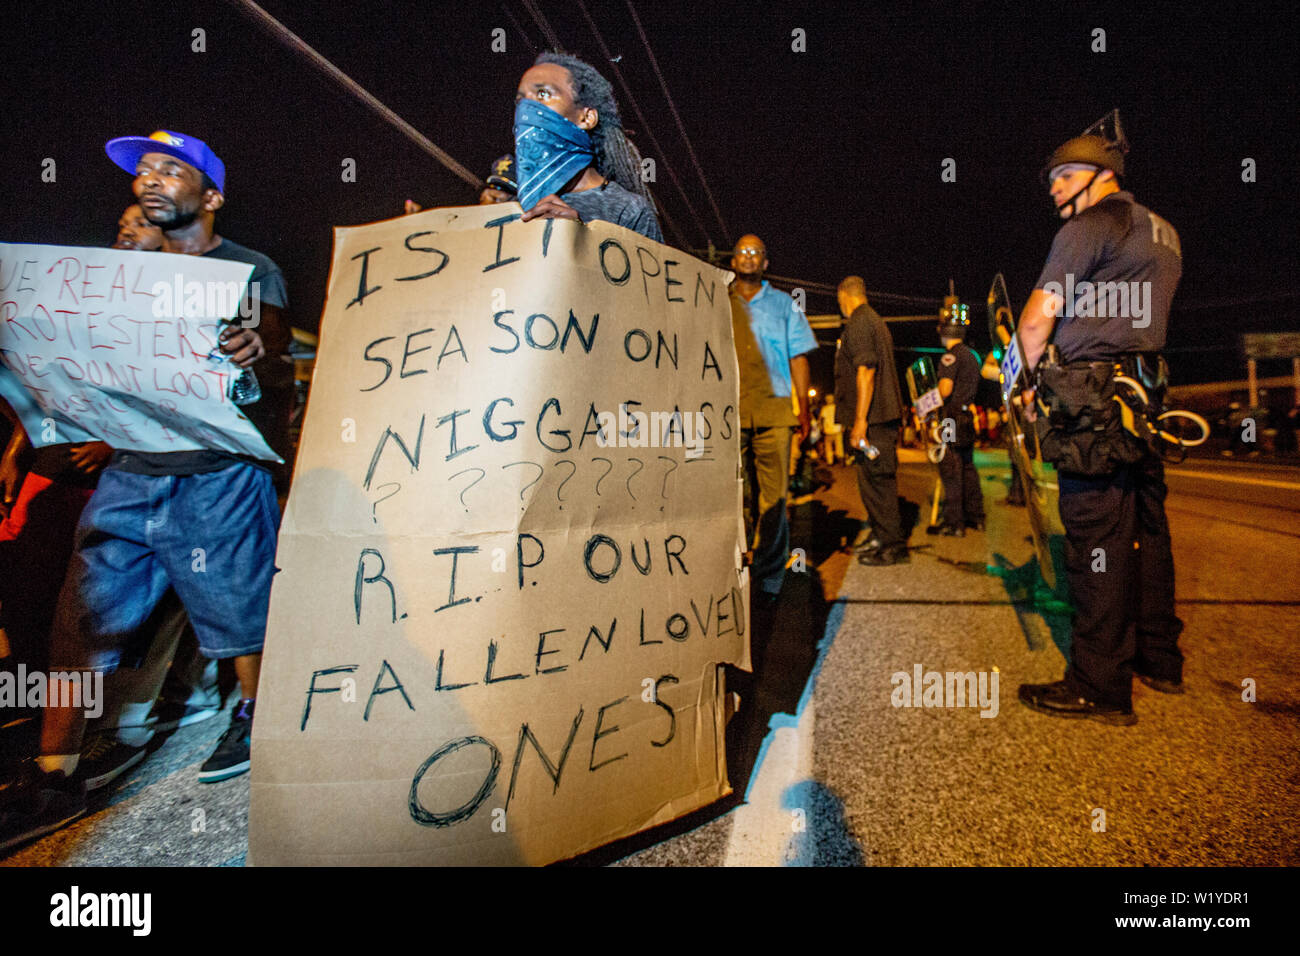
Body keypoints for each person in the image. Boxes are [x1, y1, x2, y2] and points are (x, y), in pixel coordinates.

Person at [0, 128, 288, 852]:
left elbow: (269, 334)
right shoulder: (120, 272)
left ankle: (255, 719)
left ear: (211, 197)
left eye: (172, 170)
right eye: (143, 171)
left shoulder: (248, 269)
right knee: (81, 620)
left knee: (238, 616)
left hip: (216, 473)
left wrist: (256, 343)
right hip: (130, 474)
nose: (150, 180)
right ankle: (55, 771)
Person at [1015, 118, 1184, 726]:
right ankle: (1159, 657)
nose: (1055, 188)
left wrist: (1019, 382)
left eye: (1065, 175)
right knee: (1147, 528)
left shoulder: (1091, 228)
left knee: (1095, 539)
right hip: (1144, 397)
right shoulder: (1162, 232)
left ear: (1101, 174)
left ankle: (1099, 684)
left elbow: (1038, 321)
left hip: (1093, 400)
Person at [730, 235, 817, 599]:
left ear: (766, 263)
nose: (749, 257)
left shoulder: (785, 305)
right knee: (736, 496)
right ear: (732, 260)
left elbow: (799, 357)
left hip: (775, 412)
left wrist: (804, 409)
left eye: (756, 253)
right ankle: (735, 564)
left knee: (774, 498)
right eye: (742, 252)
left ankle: (769, 575)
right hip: (728, 414)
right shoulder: (716, 300)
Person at [514, 52, 662, 241]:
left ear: (586, 117)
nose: (526, 109)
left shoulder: (629, 211)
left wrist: (579, 239)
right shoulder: (514, 205)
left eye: (543, 94)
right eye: (521, 101)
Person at [836, 276, 909, 565]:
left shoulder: (859, 322)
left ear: (844, 296)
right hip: (878, 418)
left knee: (879, 483)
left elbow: (865, 370)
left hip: (874, 421)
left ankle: (893, 546)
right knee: (872, 482)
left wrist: (859, 421)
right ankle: (881, 535)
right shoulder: (875, 321)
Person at [926, 297, 985, 535]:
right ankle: (976, 517)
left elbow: (945, 390)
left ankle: (954, 523)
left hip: (951, 417)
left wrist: (928, 402)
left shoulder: (949, 357)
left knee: (951, 470)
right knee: (968, 468)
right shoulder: (973, 356)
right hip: (967, 417)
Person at [819, 395, 844, 464]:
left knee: (828, 446)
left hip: (828, 430)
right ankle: (841, 460)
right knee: (839, 446)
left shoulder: (824, 408)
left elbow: (821, 419)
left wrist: (821, 427)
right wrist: (843, 427)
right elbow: (841, 418)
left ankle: (830, 461)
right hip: (837, 429)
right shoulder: (837, 407)